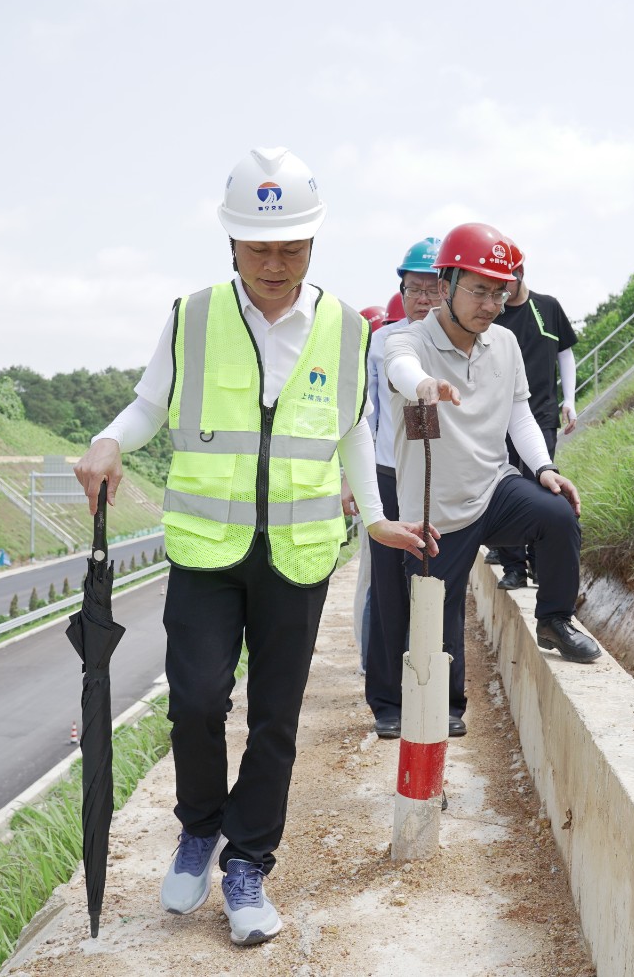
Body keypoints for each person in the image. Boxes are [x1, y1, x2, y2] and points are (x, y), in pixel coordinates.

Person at [73, 147, 435, 948]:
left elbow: (353, 429)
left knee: (276, 718)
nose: (274, 266)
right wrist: (108, 441)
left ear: (314, 242)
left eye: (291, 249)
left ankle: (247, 864)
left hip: (299, 553)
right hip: (207, 549)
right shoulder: (193, 315)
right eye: (258, 248)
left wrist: (376, 518)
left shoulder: (348, 329)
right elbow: (148, 404)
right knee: (197, 700)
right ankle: (200, 826)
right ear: (231, 242)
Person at [365, 222, 601, 741]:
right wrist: (424, 384)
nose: (491, 305)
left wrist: (545, 469)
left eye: (499, 292)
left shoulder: (505, 343)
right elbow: (400, 367)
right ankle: (438, 705)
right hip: (435, 509)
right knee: (435, 609)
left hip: (493, 487)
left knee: (557, 514)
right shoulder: (408, 338)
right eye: (479, 290)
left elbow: (519, 413)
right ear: (446, 284)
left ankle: (555, 618)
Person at [360, 237, 443, 735]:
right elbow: (365, 413)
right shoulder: (381, 343)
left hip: (440, 481)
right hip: (391, 476)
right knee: (388, 592)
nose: (424, 299)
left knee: (440, 585)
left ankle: (439, 696)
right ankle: (387, 703)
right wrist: (356, 481)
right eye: (415, 289)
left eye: (434, 289)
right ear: (402, 291)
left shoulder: (460, 342)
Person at [491, 241, 580, 591]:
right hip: (500, 417)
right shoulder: (493, 314)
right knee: (504, 486)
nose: (499, 291)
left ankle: (541, 564)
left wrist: (569, 399)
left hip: (540, 414)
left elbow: (565, 354)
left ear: (520, 273)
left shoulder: (547, 307)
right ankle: (514, 567)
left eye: (504, 282)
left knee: (541, 485)